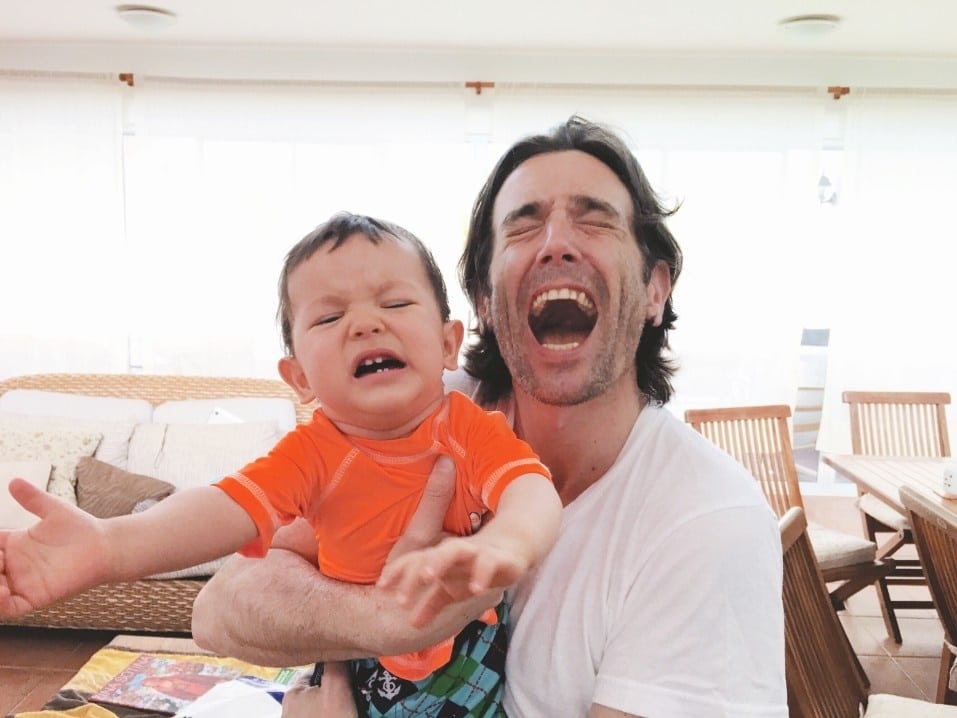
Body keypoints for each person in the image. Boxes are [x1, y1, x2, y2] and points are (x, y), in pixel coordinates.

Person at [192, 116, 788, 717]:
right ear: (483, 300)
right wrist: (387, 622)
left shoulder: (708, 522)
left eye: (595, 218)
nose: (557, 241)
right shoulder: (418, 416)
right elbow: (219, 610)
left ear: (654, 291)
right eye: (523, 224)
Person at [0, 212, 562, 718]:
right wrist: (109, 547)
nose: (364, 324)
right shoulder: (311, 453)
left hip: (465, 651)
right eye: (329, 317)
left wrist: (504, 543)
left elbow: (530, 489)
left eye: (393, 303)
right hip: (350, 655)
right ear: (299, 380)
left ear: (447, 343)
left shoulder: (468, 429)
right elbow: (221, 508)